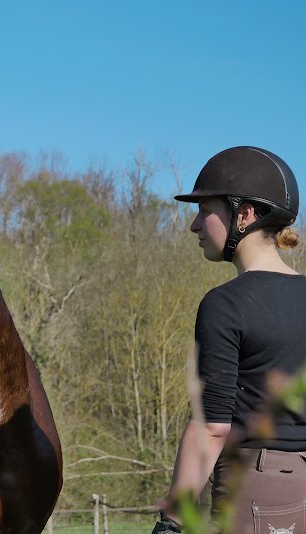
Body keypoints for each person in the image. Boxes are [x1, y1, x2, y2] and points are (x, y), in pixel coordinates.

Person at [153, 146, 306, 534]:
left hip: (259, 491)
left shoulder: (225, 305)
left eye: (206, 210)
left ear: (245, 214)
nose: (195, 225)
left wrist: (170, 522)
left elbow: (212, 428)